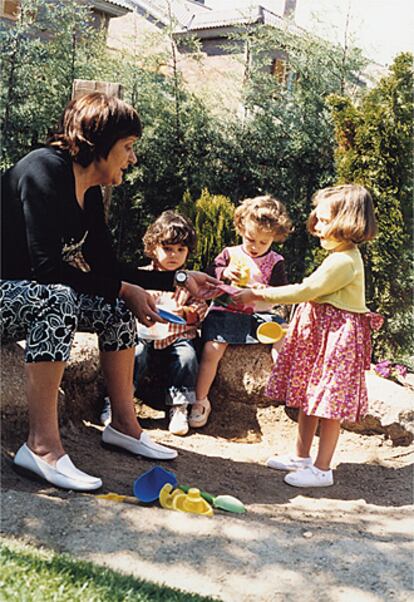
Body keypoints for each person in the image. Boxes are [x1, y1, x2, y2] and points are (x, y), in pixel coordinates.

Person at [0, 93, 218, 491]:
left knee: (114, 309)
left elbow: (105, 269)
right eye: (128, 147)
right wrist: (122, 287)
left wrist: (180, 280)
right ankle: (41, 447)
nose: (132, 159)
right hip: (9, 293)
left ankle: (123, 425)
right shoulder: (43, 170)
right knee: (58, 298)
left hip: (25, 295)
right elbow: (46, 269)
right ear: (99, 143)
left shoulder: (90, 192)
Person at [233, 184, 383, 488]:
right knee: (308, 396)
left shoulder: (344, 260)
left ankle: (322, 469)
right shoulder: (338, 256)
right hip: (322, 337)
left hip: (336, 341)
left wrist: (257, 294)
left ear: (348, 221)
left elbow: (307, 290)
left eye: (326, 220)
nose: (318, 225)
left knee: (328, 404)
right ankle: (301, 456)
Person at [100, 210, 208, 436]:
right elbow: (124, 302)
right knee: (135, 353)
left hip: (178, 336)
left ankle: (179, 407)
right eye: (167, 249)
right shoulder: (141, 276)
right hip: (144, 334)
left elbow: (201, 309)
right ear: (153, 248)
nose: (174, 255)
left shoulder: (188, 280)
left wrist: (186, 312)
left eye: (180, 250)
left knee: (187, 358)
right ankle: (120, 402)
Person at [191, 195, 293, 429]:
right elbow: (210, 273)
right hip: (228, 310)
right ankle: (200, 400)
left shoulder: (276, 261)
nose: (256, 247)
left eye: (263, 243)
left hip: (259, 315)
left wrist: (264, 290)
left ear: (274, 238)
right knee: (212, 348)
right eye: (251, 239)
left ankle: (284, 386)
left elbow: (282, 290)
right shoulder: (230, 254)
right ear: (240, 228)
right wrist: (225, 273)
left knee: (283, 337)